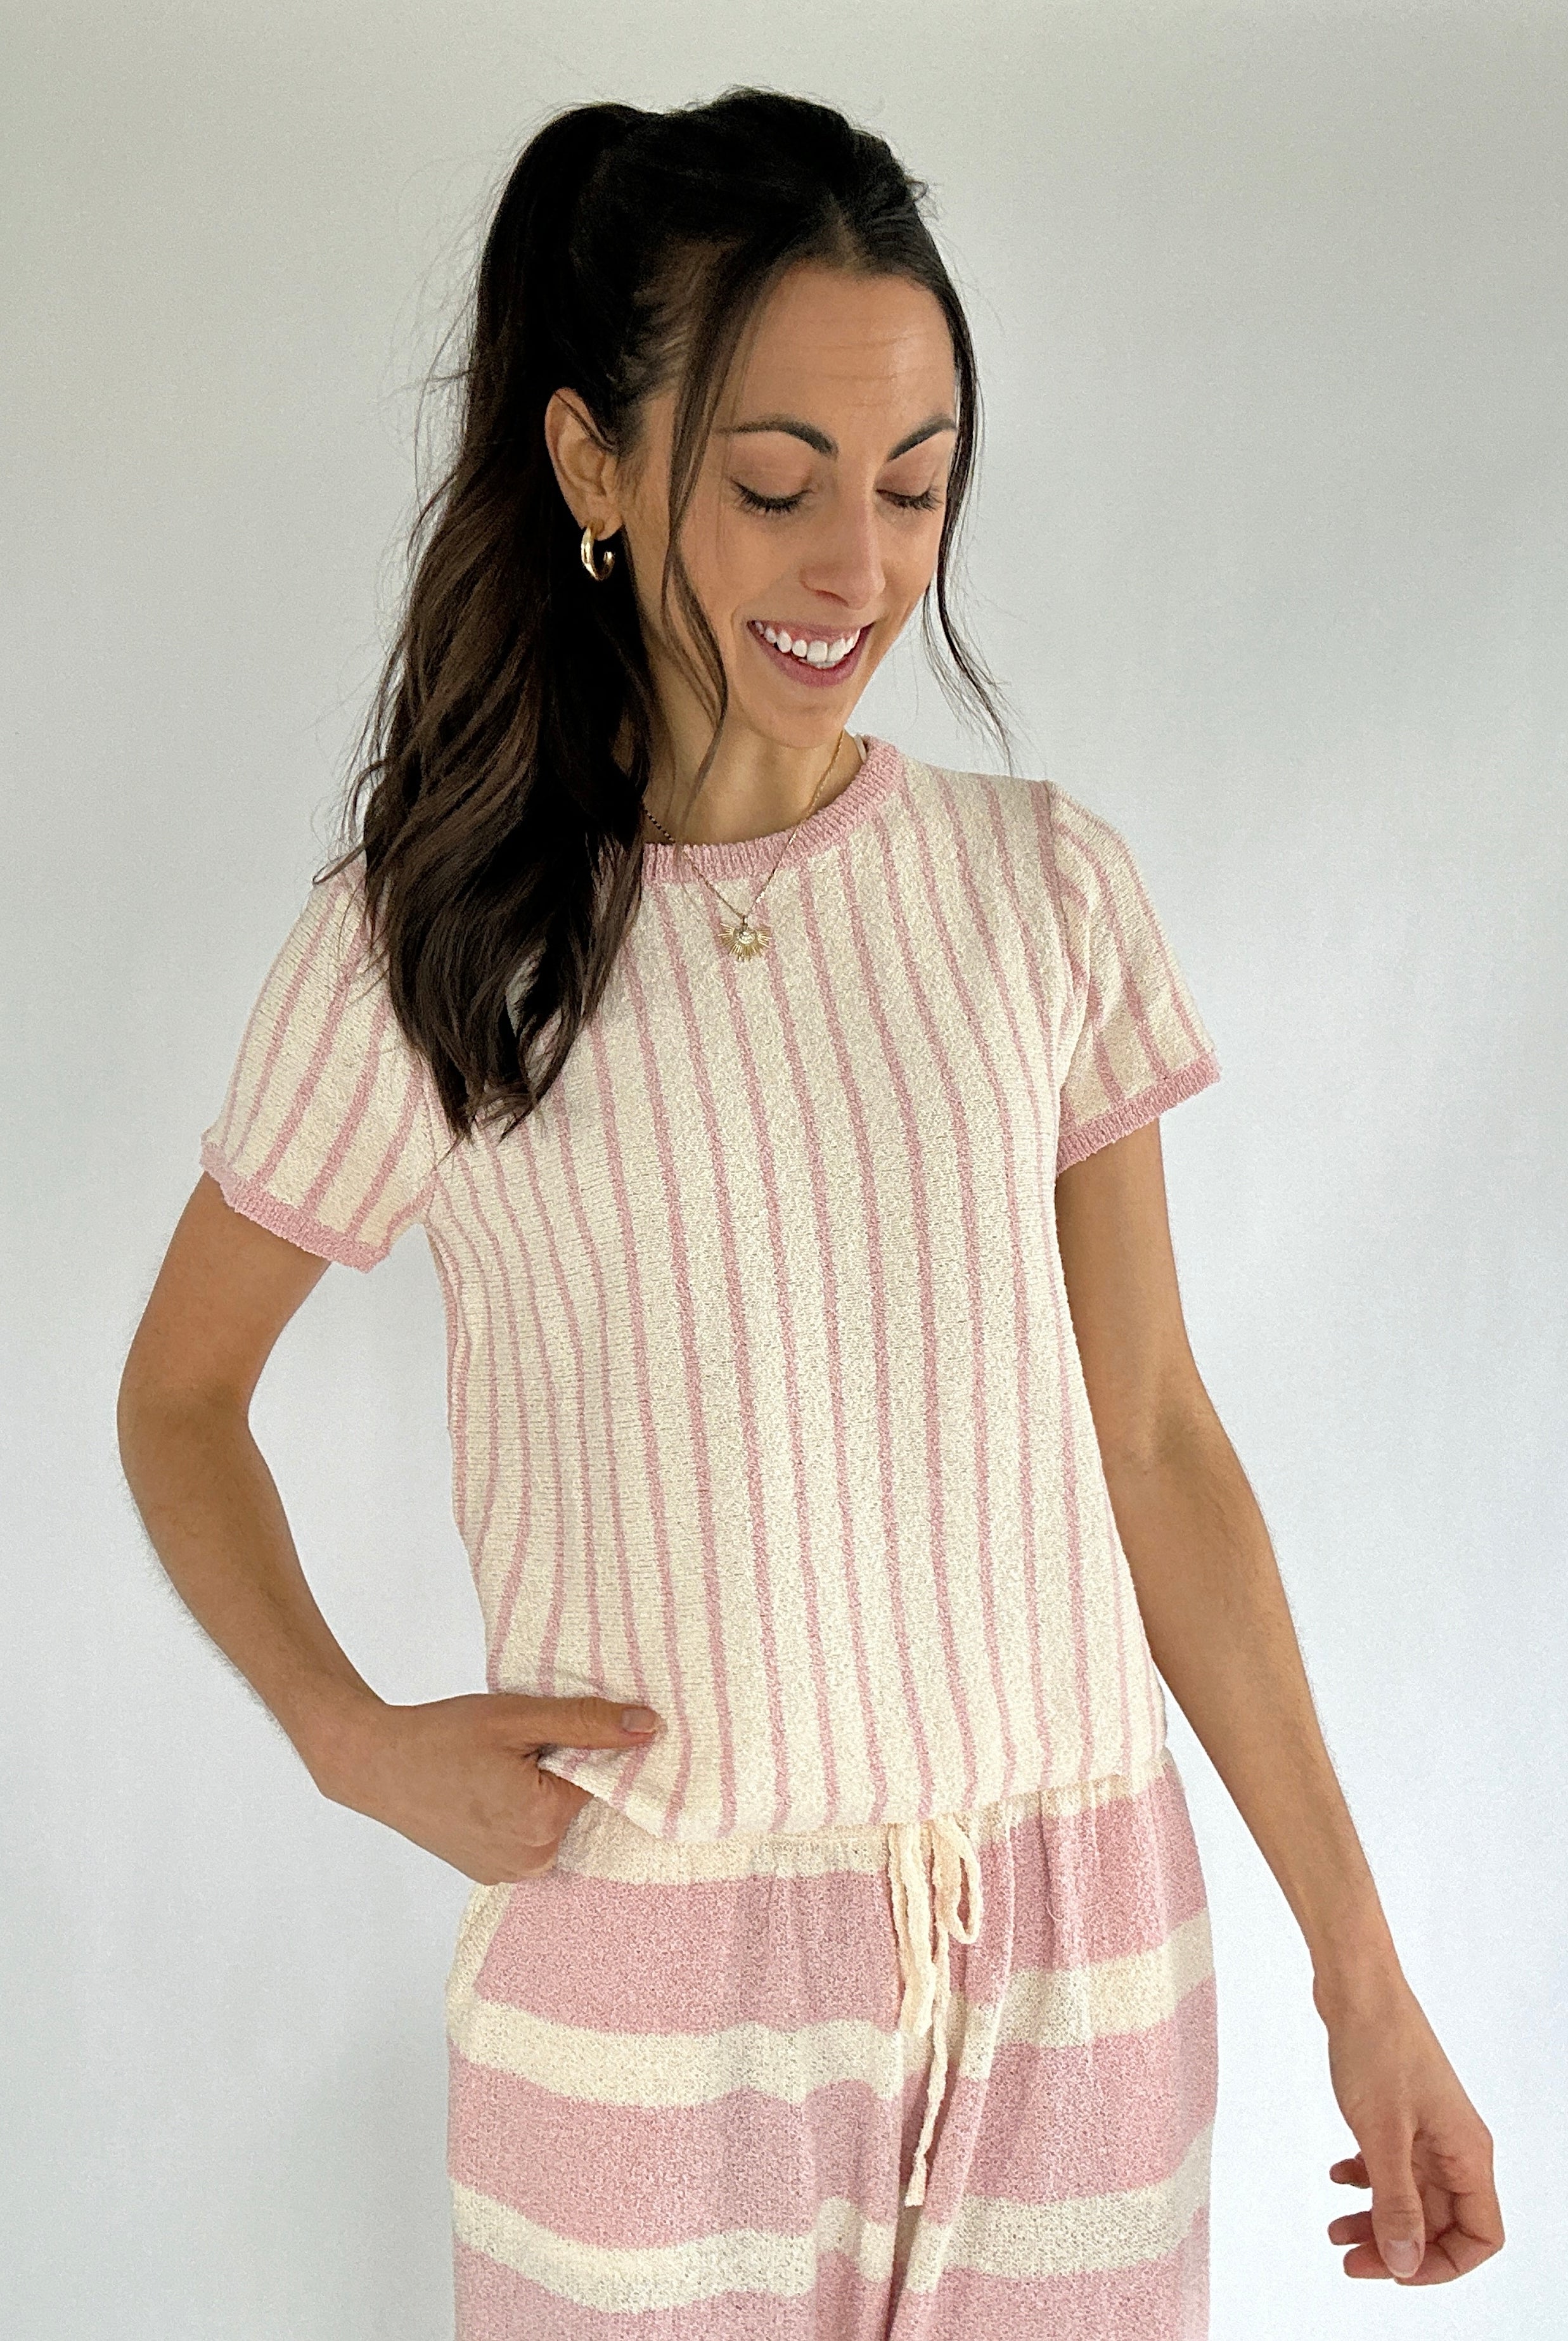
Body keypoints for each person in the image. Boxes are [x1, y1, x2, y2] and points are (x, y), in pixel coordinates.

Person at [117, 86, 1503, 2340]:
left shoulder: (1037, 892)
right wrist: (349, 1739)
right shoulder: (432, 946)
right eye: (772, 486)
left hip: (1079, 1974)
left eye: (914, 484)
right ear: (591, 463)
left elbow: (1153, 1440)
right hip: (651, 1991)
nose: (857, 568)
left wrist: (1368, 1976)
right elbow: (182, 1395)